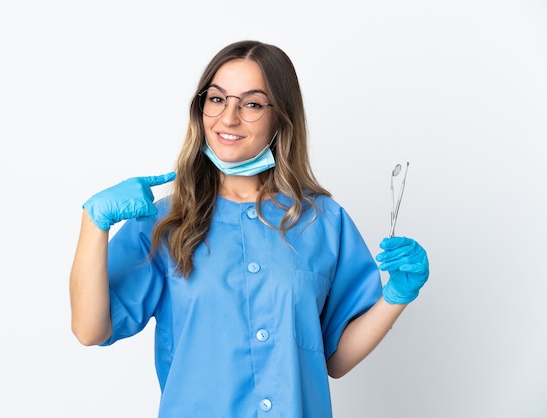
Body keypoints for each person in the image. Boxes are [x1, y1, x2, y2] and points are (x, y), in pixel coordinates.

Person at [69, 40, 429, 418]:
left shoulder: (323, 221)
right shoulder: (165, 222)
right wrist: (94, 223)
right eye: (217, 99)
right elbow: (90, 330)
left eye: (252, 104)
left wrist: (397, 295)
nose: (228, 118)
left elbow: (335, 359)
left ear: (281, 117)